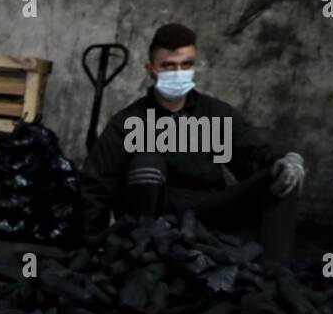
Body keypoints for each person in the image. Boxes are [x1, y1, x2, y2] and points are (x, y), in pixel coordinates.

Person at [80, 22, 306, 263]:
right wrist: (92, 246)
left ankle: (275, 274)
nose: (178, 73)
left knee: (285, 174)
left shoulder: (216, 115)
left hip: (207, 209)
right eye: (168, 66)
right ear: (150, 70)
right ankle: (143, 258)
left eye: (185, 64)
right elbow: (96, 186)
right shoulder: (129, 121)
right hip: (155, 213)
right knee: (147, 163)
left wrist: (287, 161)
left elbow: (253, 157)